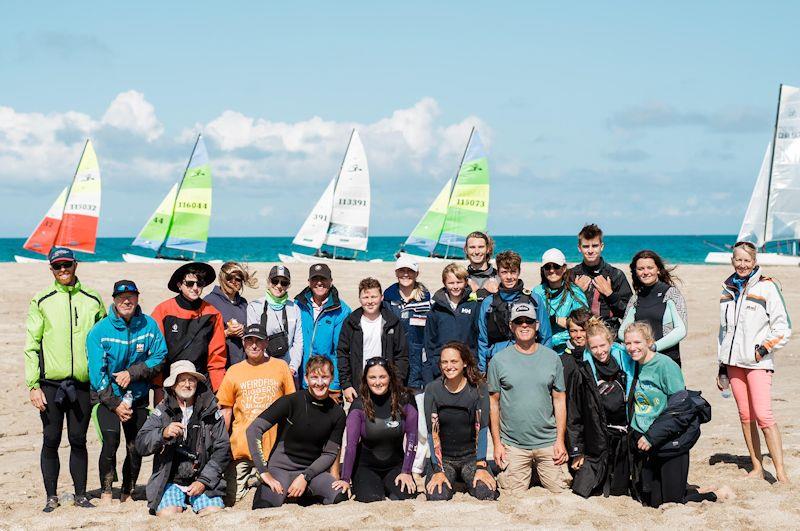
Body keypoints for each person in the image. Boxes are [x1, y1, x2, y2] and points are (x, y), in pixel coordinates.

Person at [25, 247, 106, 512]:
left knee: (78, 439)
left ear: (75, 265)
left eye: (67, 265)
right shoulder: (42, 300)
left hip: (82, 384)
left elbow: (103, 340)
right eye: (57, 266)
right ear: (51, 269)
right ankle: (51, 495)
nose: (63, 270)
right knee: (50, 439)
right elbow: (32, 345)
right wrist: (33, 385)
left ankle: (81, 494)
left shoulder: (92, 299)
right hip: (51, 385)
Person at [717, 241, 791, 483]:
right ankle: (757, 467)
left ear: (755, 262)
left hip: (758, 363)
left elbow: (783, 327)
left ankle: (780, 473)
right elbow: (724, 332)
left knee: (764, 416)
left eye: (747, 260)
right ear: (732, 261)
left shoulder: (768, 287)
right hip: (734, 364)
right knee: (745, 416)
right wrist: (722, 367)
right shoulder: (727, 290)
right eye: (738, 260)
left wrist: (762, 350)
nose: (742, 264)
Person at [87, 280, 167, 503]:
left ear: (137, 298)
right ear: (113, 300)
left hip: (138, 397)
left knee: (136, 446)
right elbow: (97, 373)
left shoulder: (149, 326)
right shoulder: (99, 331)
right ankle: (105, 490)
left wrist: (132, 373)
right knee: (111, 442)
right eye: (121, 297)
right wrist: (115, 404)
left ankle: (127, 490)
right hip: (107, 399)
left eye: (131, 296)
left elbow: (160, 357)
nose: (126, 301)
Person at [246, 355, 348, 509]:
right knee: (264, 506)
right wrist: (264, 472)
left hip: (312, 473)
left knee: (340, 496)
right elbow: (253, 429)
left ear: (332, 378)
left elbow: (330, 453)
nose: (319, 383)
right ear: (306, 379)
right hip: (281, 470)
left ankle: (304, 494)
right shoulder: (291, 402)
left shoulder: (337, 413)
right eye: (314, 377)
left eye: (325, 377)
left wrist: (305, 476)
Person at [489, 303, 569, 494]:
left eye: (529, 321)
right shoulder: (498, 360)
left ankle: (537, 470)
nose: (524, 325)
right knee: (512, 492)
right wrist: (498, 445)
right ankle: (527, 470)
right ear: (511, 326)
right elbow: (494, 403)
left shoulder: (552, 358)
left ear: (537, 325)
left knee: (561, 489)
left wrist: (560, 440)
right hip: (514, 444)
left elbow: (559, 400)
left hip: (548, 442)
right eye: (519, 322)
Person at [135, 361, 229, 516]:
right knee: (168, 514)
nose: (187, 384)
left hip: (203, 479)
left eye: (191, 380)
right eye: (182, 380)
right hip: (170, 481)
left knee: (213, 512)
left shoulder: (210, 410)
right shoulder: (162, 410)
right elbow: (140, 444)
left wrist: (204, 481)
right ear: (173, 385)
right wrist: (162, 433)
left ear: (197, 383)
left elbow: (223, 448)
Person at [216, 323, 296, 506]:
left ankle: (259, 481)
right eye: (249, 341)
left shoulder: (280, 366)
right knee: (232, 500)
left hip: (273, 451)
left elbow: (292, 406)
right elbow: (226, 409)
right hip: (242, 449)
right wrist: (222, 442)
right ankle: (251, 480)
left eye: (258, 341)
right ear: (243, 343)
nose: (253, 345)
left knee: (274, 497)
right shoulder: (234, 371)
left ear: (266, 343)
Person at [333, 358, 418, 502]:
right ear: (366, 380)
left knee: (403, 497)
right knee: (372, 499)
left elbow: (412, 438)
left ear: (390, 377)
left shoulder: (405, 400)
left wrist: (406, 471)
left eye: (382, 377)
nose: (377, 382)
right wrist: (345, 478)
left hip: (395, 466)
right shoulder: (359, 405)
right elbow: (351, 446)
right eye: (372, 377)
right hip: (365, 467)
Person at [568, 318, 635, 498]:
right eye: (594, 348)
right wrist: (577, 451)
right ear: (589, 348)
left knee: (620, 490)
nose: (600, 351)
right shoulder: (582, 371)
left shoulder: (627, 362)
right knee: (583, 489)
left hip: (623, 434)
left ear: (610, 342)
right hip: (597, 436)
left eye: (603, 346)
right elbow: (575, 414)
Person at [423, 342, 498, 501]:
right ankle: (452, 478)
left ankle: (466, 478)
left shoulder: (479, 388)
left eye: (454, 361)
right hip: (445, 459)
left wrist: (481, 465)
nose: (449, 366)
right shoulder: (432, 389)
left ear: (464, 362)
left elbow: (482, 429)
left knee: (487, 493)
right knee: (437, 496)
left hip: (470, 457)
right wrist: (438, 470)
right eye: (444, 362)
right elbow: (432, 433)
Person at [151, 262, 227, 400]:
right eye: (190, 284)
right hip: (170, 383)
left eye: (200, 283)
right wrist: (157, 388)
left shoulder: (213, 314)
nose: (195, 288)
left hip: (201, 383)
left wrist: (218, 391)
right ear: (180, 285)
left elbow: (217, 358)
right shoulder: (163, 311)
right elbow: (156, 355)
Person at [477, 250, 551, 373]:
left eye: (513, 272)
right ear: (498, 274)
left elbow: (546, 337)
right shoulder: (488, 303)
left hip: (529, 362)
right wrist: (482, 370)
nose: (509, 277)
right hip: (497, 363)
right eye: (504, 272)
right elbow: (482, 340)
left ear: (519, 272)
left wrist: (546, 365)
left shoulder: (534, 300)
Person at [338, 278, 408, 402]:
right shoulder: (351, 322)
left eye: (374, 297)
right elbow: (342, 354)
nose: (370, 302)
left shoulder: (392, 322)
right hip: (359, 385)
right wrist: (346, 385)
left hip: (386, 384)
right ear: (359, 299)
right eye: (365, 297)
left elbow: (401, 355)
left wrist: (396, 381)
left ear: (381, 297)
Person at [619, 250, 687, 366]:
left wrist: (654, 347)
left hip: (667, 360)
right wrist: (637, 346)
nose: (645, 272)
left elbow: (681, 330)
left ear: (658, 270)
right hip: (641, 361)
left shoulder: (671, 293)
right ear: (635, 272)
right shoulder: (635, 298)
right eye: (640, 269)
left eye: (650, 268)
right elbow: (622, 331)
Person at [295, 263, 351, 394]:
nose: (319, 283)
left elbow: (341, 350)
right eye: (315, 279)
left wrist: (335, 385)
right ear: (309, 282)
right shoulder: (297, 305)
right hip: (301, 381)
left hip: (326, 383)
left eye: (323, 279)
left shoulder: (342, 310)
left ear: (331, 281)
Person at [569, 224, 632, 338]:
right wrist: (576, 293)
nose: (590, 250)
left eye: (595, 246)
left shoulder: (615, 275)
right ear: (579, 248)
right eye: (586, 246)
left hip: (609, 335)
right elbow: (562, 312)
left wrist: (610, 294)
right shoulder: (571, 275)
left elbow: (629, 312)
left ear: (601, 246)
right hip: (579, 335)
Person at [383, 255, 432, 389]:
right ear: (396, 273)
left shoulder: (427, 301)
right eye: (401, 270)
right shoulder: (387, 301)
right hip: (394, 363)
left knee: (419, 408)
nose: (405, 274)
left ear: (417, 273)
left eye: (410, 271)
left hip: (419, 365)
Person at [424, 263, 480, 381]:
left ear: (465, 282)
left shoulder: (474, 306)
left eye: (459, 282)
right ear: (444, 283)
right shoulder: (436, 309)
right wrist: (435, 365)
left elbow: (479, 337)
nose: (455, 286)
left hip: (468, 366)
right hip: (443, 368)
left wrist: (475, 363)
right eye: (451, 283)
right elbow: (430, 342)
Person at [246, 265, 304, 378]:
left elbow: (298, 342)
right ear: (268, 282)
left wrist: (292, 367)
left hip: (288, 370)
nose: (279, 286)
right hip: (262, 369)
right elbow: (253, 342)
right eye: (275, 281)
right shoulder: (255, 306)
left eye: (284, 283)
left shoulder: (294, 308)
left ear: (288, 285)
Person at [533, 248, 588, 353]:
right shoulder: (537, 292)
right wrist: (555, 320)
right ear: (543, 269)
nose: (552, 270)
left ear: (564, 268)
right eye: (547, 267)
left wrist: (553, 339)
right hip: (541, 350)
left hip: (569, 351)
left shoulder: (575, 293)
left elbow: (583, 326)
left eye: (556, 266)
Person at [205, 261, 257, 367]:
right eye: (229, 278)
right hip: (219, 365)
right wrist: (226, 333)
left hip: (243, 364)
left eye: (238, 279)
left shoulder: (243, 303)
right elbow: (202, 337)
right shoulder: (209, 302)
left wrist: (244, 329)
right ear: (222, 278)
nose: (233, 282)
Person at [464, 231, 499, 301]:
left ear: (488, 249)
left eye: (481, 247)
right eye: (472, 247)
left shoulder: (500, 278)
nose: (476, 252)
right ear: (466, 250)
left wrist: (498, 293)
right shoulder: (461, 279)